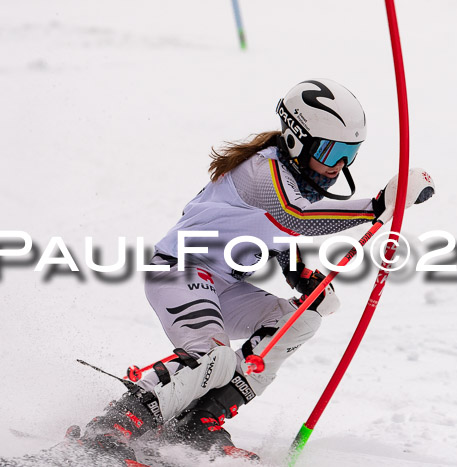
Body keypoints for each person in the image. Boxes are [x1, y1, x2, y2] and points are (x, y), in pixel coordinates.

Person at [76, 79, 435, 463]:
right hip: (179, 273)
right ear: (297, 140)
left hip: (222, 285)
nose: (339, 168)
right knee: (215, 357)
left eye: (351, 154)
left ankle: (202, 422)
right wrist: (378, 205)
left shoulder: (292, 177)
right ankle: (114, 424)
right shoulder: (260, 171)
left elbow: (280, 234)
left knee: (299, 320)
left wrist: (301, 276)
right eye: (332, 153)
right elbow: (295, 217)